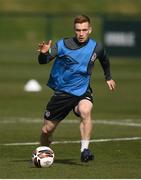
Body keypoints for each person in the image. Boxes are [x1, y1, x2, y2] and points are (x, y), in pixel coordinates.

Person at [37, 14, 116, 162]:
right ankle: (43, 153)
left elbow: (104, 59)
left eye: (84, 30)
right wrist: (43, 54)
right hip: (62, 94)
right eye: (78, 30)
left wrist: (108, 77)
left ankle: (85, 150)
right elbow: (43, 61)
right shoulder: (62, 45)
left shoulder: (96, 47)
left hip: (82, 91)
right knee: (46, 130)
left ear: (90, 30)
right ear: (74, 30)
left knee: (85, 110)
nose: (81, 33)